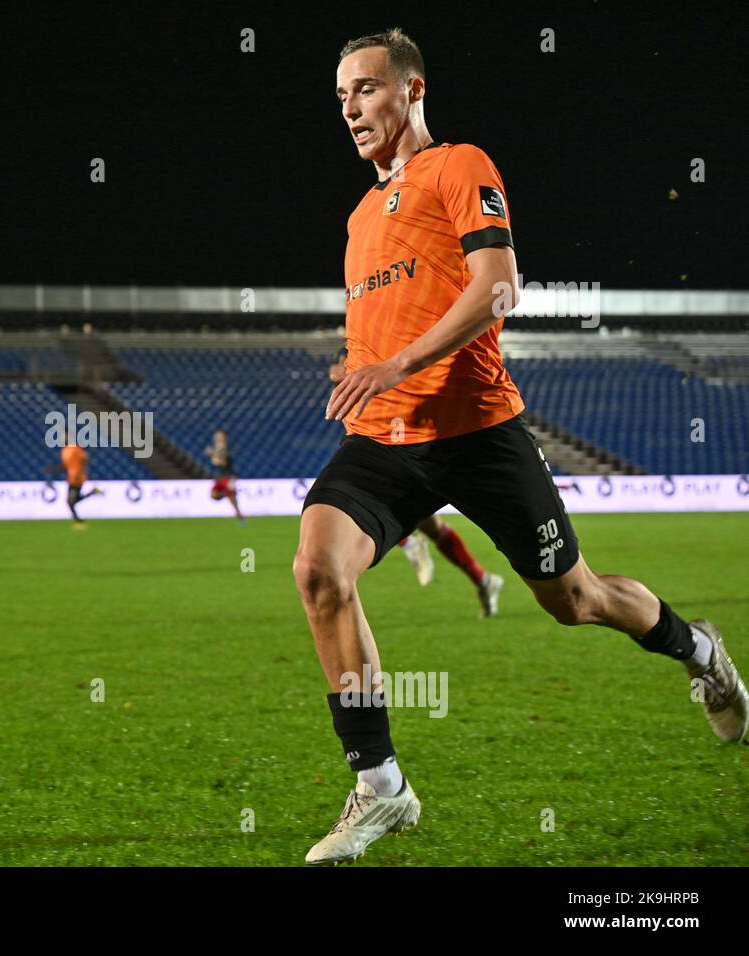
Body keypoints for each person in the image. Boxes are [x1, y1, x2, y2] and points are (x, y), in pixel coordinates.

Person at [297, 28, 745, 866]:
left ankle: (700, 650)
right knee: (319, 570)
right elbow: (388, 321)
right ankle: (383, 787)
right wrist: (363, 362)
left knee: (575, 600)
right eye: (340, 96)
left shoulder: (461, 166)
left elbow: (498, 287)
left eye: (364, 89)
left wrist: (396, 359)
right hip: (389, 435)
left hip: (480, 433)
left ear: (412, 89)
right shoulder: (360, 216)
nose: (350, 108)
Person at [330, 351, 503, 615]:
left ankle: (410, 544)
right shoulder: (353, 394)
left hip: (419, 453)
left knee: (389, 513)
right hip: (399, 459)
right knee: (431, 527)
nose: (336, 375)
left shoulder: (385, 378)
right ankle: (483, 579)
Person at [204, 429, 244, 524]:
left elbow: (222, 462)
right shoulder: (217, 448)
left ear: (224, 438)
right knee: (214, 496)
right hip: (220, 476)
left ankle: (238, 513)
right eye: (217, 435)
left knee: (232, 497)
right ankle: (229, 494)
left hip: (230, 476)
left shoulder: (224, 448)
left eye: (220, 436)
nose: (217, 437)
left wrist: (212, 455)